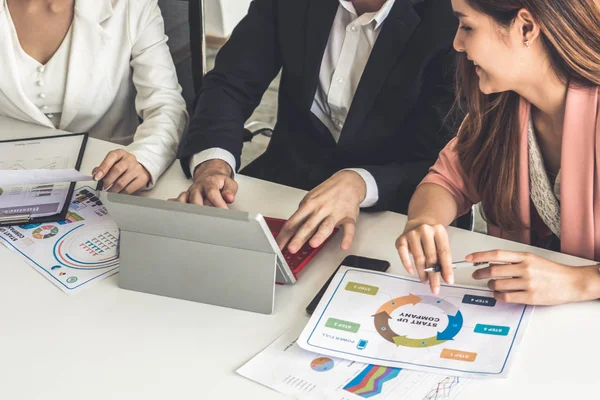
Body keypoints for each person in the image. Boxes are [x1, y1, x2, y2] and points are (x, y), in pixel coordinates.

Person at [176, 0, 458, 254]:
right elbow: (231, 82)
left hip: (398, 213)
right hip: (284, 183)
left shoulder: (454, 16)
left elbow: (443, 161)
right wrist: (213, 162)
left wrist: (360, 184)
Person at [396, 0, 600, 305]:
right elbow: (447, 180)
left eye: (467, 26)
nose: (457, 44)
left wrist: (581, 283)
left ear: (526, 27)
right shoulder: (502, 106)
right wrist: (424, 222)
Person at [0, 0, 188, 193]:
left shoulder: (131, 5)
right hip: (8, 186)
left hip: (106, 184)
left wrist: (145, 158)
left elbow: (165, 104)